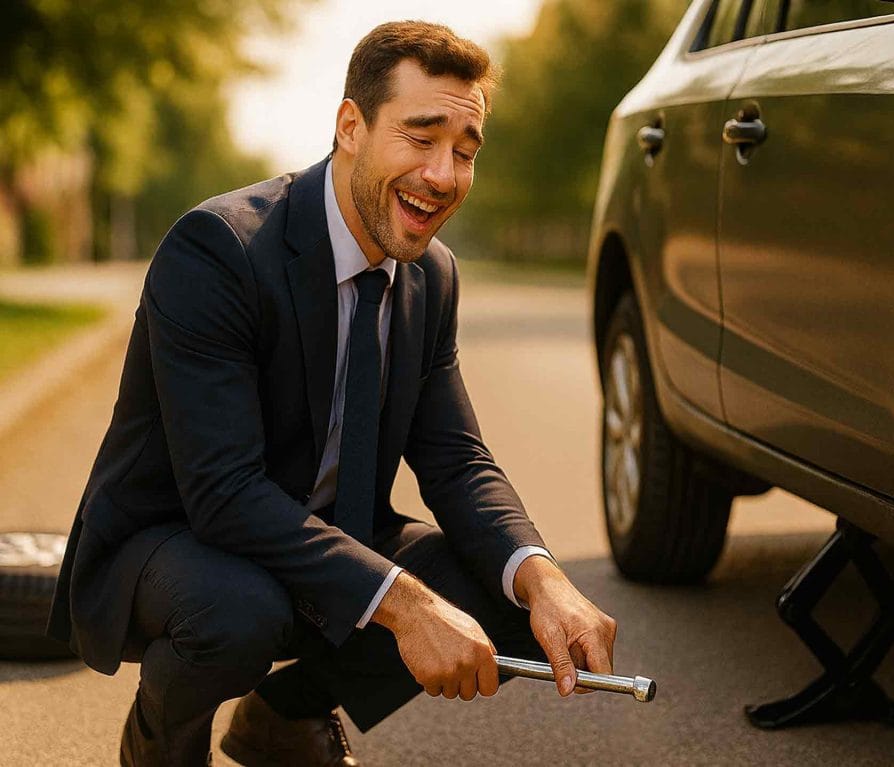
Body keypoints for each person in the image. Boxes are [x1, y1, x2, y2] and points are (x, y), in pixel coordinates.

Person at [47, 19, 617, 767]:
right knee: (239, 609)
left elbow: (456, 459)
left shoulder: (432, 275)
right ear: (351, 126)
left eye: (465, 151)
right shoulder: (217, 249)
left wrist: (545, 581)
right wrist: (408, 605)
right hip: (180, 539)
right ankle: (158, 739)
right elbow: (222, 492)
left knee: (511, 598)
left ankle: (280, 719)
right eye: (420, 137)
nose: (444, 174)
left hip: (326, 531)